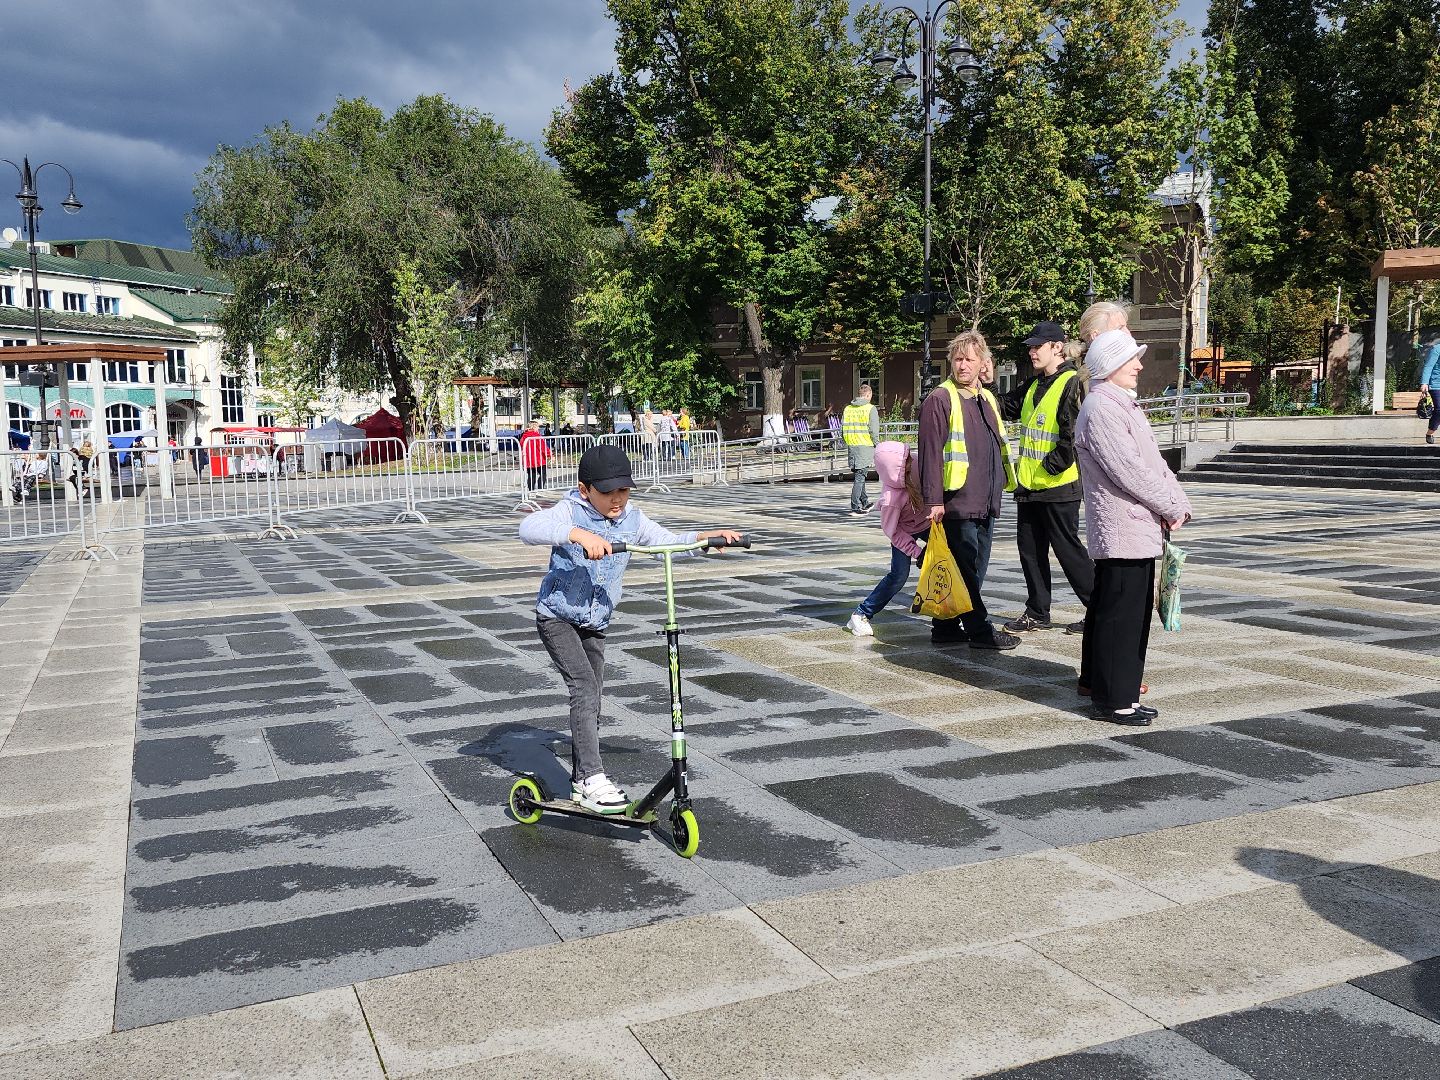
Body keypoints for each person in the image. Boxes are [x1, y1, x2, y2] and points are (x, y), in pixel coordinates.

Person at [517, 444, 743, 813]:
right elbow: (529, 527)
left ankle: (580, 779)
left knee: (593, 697)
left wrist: (705, 538)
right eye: (608, 492)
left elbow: (667, 542)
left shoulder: (632, 519)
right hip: (557, 617)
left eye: (623, 490)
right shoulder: (570, 509)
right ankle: (592, 776)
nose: (617, 499)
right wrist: (577, 534)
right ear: (584, 488)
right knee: (584, 687)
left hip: (595, 622)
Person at [1074, 328, 1192, 726]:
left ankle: (1118, 691)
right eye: (1131, 359)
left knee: (1129, 613)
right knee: (1120, 616)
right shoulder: (1102, 408)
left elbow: (1153, 464)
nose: (1139, 365)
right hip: (1123, 527)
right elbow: (1131, 472)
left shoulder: (1120, 405)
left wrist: (1176, 503)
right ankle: (1114, 699)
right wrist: (1171, 505)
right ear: (1110, 366)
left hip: (1137, 526)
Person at [917, 330, 1021, 650]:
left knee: (973, 567)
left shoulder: (986, 396)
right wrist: (933, 500)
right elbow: (930, 451)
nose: (962, 365)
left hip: (987, 497)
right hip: (957, 500)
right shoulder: (940, 398)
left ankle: (946, 627)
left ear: (982, 363)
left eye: (969, 359)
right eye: (957, 359)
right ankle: (980, 630)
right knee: (965, 568)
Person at [997, 321, 1094, 636]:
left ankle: (1099, 609)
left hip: (1058, 486)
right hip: (1029, 486)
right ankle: (1037, 612)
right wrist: (984, 385)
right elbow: (1004, 407)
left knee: (1068, 550)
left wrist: (1053, 466)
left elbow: (1073, 434)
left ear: (1057, 347)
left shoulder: (1070, 382)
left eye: (1038, 346)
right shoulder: (1032, 384)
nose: (1032, 351)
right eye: (1030, 346)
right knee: (1030, 549)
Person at [847, 441, 931, 637]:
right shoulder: (890, 500)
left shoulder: (920, 464)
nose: (913, 462)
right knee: (898, 575)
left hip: (928, 524)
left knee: (947, 565)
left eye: (910, 457)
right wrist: (917, 553)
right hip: (903, 531)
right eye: (907, 463)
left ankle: (955, 616)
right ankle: (861, 614)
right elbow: (892, 532)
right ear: (895, 471)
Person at [842, 384, 880, 515]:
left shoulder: (848, 409)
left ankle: (864, 501)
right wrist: (877, 444)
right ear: (868, 395)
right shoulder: (870, 409)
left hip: (852, 446)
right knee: (860, 476)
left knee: (860, 474)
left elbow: (843, 429)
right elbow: (874, 430)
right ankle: (855, 506)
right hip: (865, 446)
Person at [519, 419, 551, 493]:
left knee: (531, 476)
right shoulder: (536, 436)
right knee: (543, 474)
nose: (538, 428)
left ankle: (531, 491)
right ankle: (540, 489)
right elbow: (543, 447)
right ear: (534, 427)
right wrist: (549, 455)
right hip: (539, 460)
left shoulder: (523, 436)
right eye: (537, 427)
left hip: (528, 460)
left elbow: (521, 445)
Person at [1419, 337, 1440, 445]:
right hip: (1436, 384)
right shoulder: (1437, 349)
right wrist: (1424, 383)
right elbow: (1428, 366)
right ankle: (1430, 432)